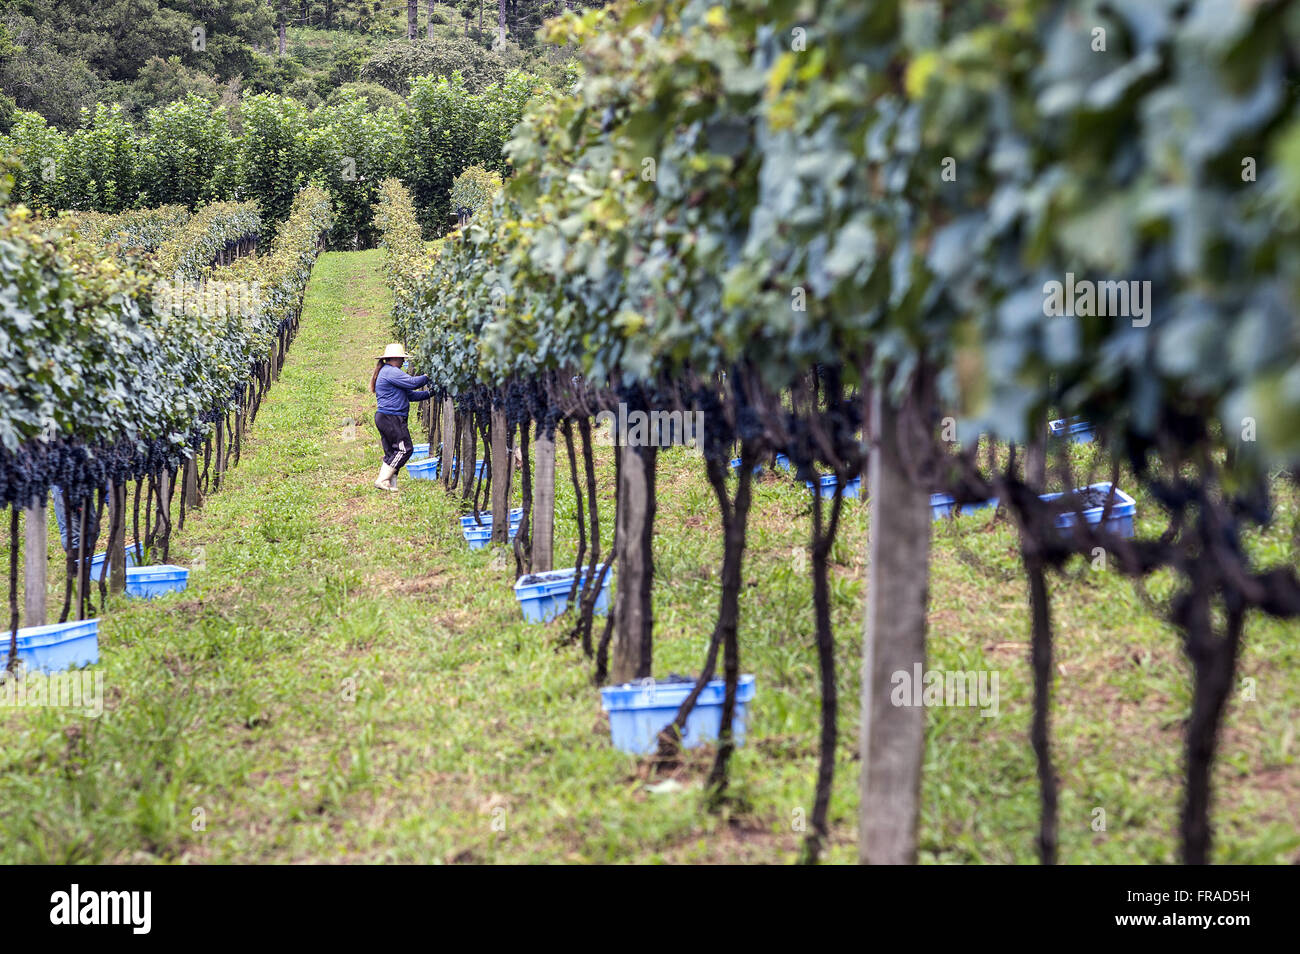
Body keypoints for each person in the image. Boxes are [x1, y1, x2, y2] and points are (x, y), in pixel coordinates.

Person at [370, 343, 432, 491]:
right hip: (391, 417)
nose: (403, 361)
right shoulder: (391, 372)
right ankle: (382, 480)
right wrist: (428, 376)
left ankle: (389, 484)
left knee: (392, 452)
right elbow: (412, 383)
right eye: (402, 358)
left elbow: (411, 395)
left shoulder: (389, 372)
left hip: (385, 417)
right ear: (394, 358)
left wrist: (431, 393)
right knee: (405, 449)